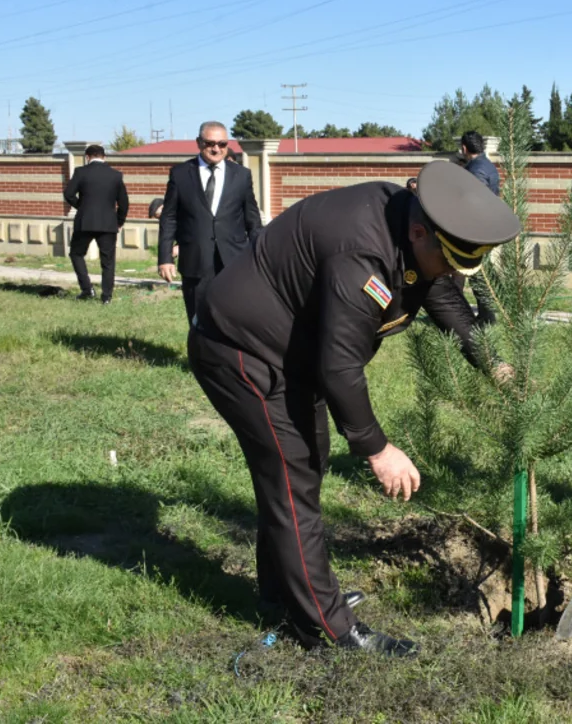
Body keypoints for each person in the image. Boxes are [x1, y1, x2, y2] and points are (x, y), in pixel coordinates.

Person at [188, 161, 520, 656]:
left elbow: (443, 294)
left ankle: (287, 592)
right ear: (418, 233)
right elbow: (340, 366)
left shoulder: (414, 225)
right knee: (293, 472)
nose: (451, 272)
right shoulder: (362, 253)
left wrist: (496, 366)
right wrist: (377, 448)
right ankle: (328, 628)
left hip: (290, 356)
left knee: (308, 463)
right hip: (242, 350)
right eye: (448, 259)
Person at [157, 122, 262, 323]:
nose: (216, 149)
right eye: (210, 143)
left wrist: (259, 257)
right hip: (196, 260)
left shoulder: (241, 175)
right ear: (198, 142)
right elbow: (169, 218)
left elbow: (253, 220)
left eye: (222, 144)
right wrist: (165, 257)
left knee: (233, 318)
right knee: (198, 319)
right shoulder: (180, 174)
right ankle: (199, 354)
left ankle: (229, 355)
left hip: (234, 261)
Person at [63, 144, 128, 304]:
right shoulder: (115, 175)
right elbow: (124, 203)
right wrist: (119, 221)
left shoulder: (80, 172)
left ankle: (87, 289)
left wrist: (81, 206)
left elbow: (68, 194)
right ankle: (106, 297)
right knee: (108, 261)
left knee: (76, 254)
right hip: (108, 223)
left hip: (85, 222)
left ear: (87, 157)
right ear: (104, 156)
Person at [458, 131, 502, 325]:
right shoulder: (489, 166)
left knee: (466, 271)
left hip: (473, 230)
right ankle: (487, 315)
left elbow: (474, 201)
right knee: (477, 272)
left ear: (464, 148)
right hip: (486, 226)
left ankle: (483, 316)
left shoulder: (475, 169)